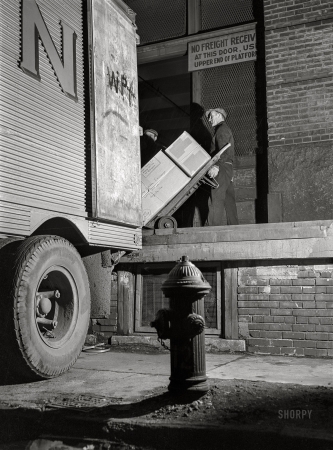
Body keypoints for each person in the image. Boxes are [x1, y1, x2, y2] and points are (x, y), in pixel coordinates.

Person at [204, 107, 238, 226]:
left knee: (216, 198)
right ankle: (234, 227)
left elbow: (223, 150)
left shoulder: (221, 130)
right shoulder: (223, 129)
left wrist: (216, 166)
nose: (209, 119)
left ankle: (212, 230)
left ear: (219, 115)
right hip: (227, 168)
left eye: (211, 116)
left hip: (222, 167)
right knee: (229, 200)